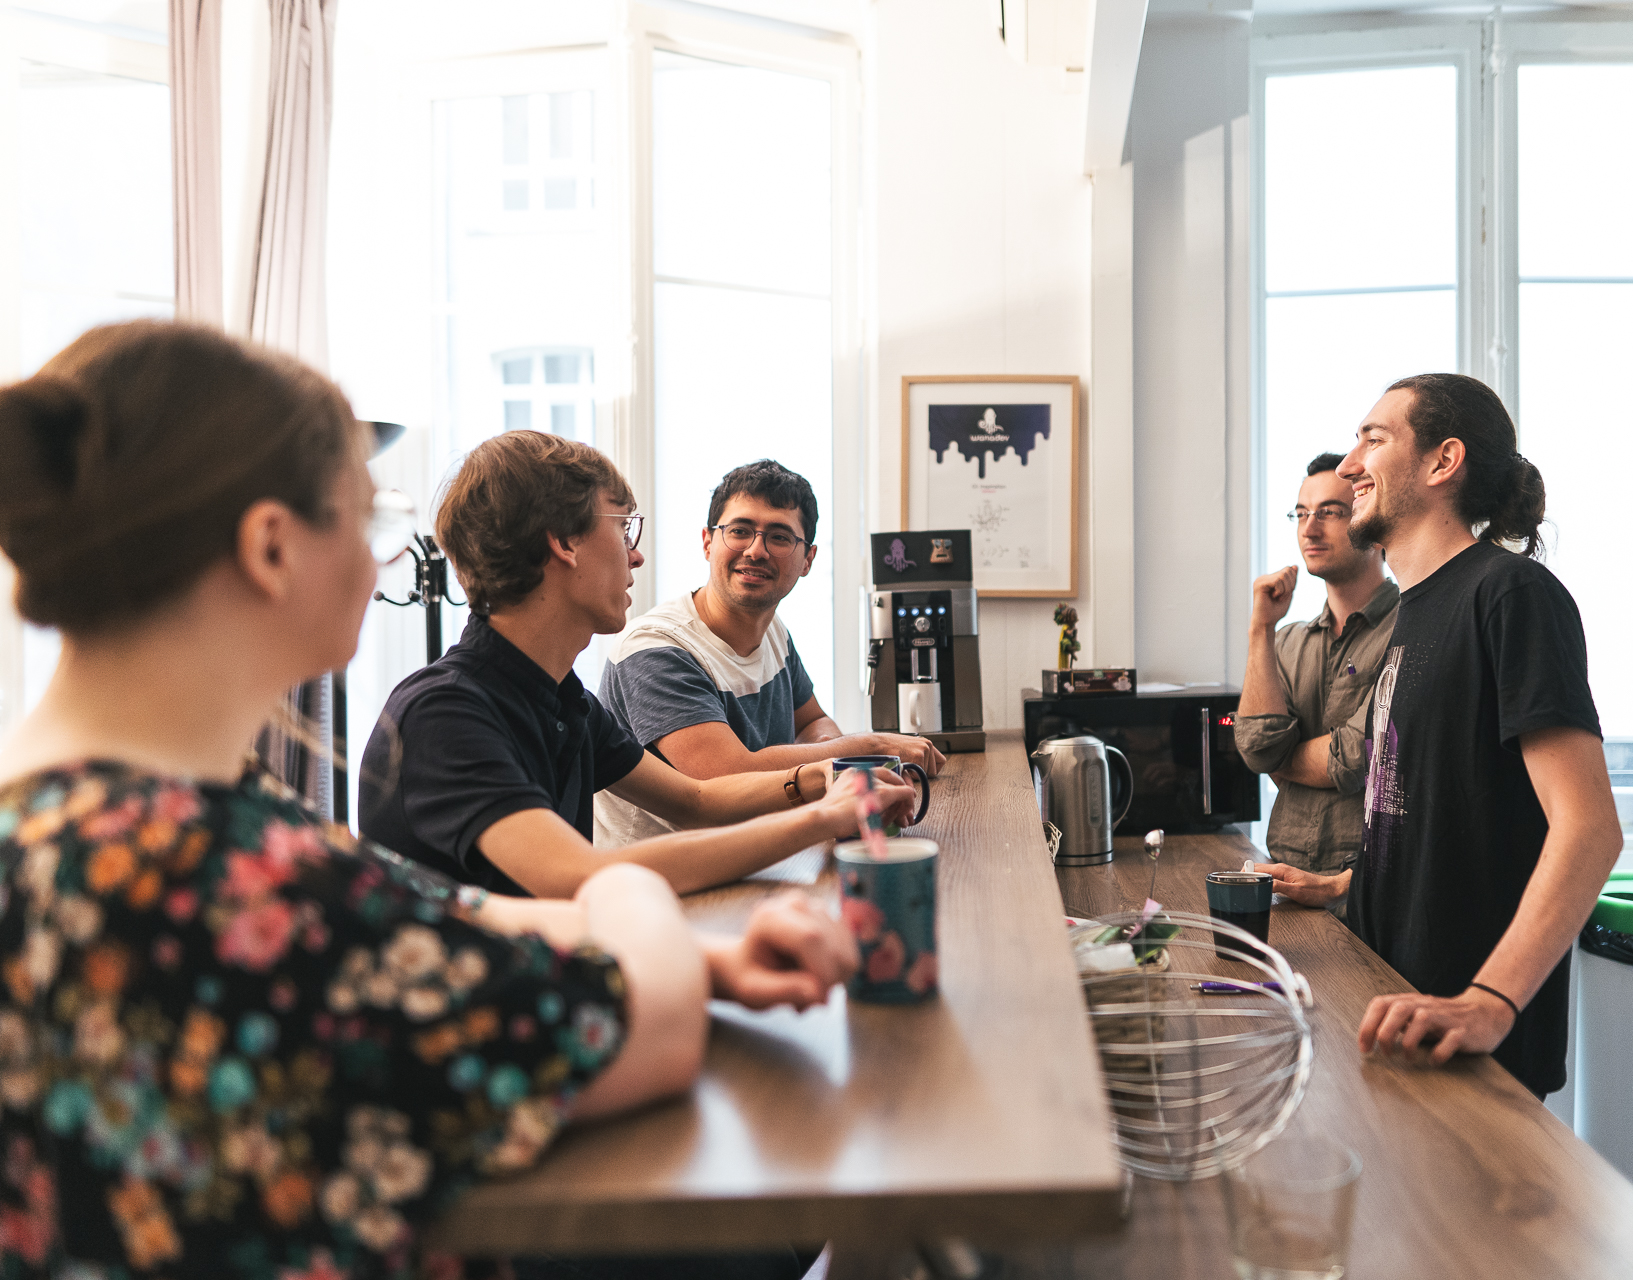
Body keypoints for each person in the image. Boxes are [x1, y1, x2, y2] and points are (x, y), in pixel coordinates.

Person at [0, 320, 856, 1279]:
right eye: (365, 522)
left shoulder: (115, 821)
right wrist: (621, 902)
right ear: (271, 547)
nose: (382, 569)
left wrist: (717, 959)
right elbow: (644, 1022)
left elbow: (421, 912)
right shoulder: (219, 867)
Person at [1259, 373, 1621, 1099]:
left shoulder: (1511, 595)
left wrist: (1489, 1001)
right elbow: (1437, 808)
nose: (1351, 464)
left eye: (1374, 438)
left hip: (1465, 1032)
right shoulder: (1417, 610)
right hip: (1390, 1001)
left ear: (1442, 461)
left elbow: (1589, 829)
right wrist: (1346, 885)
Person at [358, 433, 914, 899]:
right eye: (624, 528)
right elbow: (583, 878)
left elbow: (696, 801)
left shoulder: (562, 697)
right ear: (565, 542)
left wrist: (825, 777)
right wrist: (822, 814)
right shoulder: (445, 715)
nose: (636, 554)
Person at [595, 459, 944, 844]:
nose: (756, 550)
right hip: (668, 880)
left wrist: (837, 758)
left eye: (778, 537)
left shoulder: (773, 630)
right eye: (740, 531)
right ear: (708, 542)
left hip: (758, 854)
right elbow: (726, 776)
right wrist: (867, 747)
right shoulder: (655, 649)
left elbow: (811, 723)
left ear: (807, 559)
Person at [1234, 452, 1399, 912]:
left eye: (1329, 512)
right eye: (1301, 513)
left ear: (1371, 522)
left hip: (1368, 892)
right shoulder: (1285, 641)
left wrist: (1284, 759)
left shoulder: (1410, 631)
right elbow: (1256, 750)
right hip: (1284, 883)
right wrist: (1260, 629)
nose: (1309, 528)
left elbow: (1358, 755)